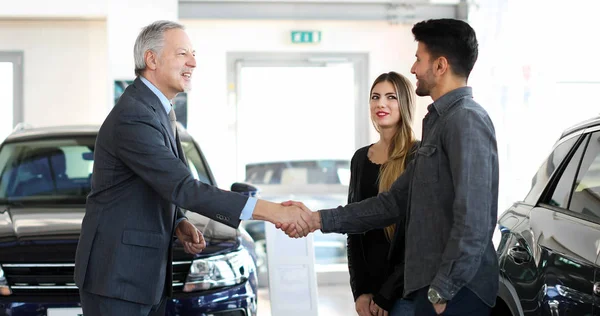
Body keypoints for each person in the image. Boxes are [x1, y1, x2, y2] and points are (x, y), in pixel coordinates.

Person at [74, 20, 311, 316]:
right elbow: (184, 187)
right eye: (183, 53)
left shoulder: (157, 109)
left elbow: (154, 184)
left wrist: (178, 222)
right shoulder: (134, 116)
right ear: (152, 59)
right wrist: (274, 212)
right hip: (118, 277)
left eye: (194, 54)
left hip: (142, 277)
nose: (194, 62)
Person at [281, 18, 499, 316]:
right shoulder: (439, 124)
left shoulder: (466, 120)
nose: (413, 69)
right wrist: (317, 219)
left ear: (440, 66)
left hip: (454, 294)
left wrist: (443, 289)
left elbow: (475, 219)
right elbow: (393, 203)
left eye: (418, 59)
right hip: (430, 288)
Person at [347, 72, 419, 316]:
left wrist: (387, 295)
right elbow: (354, 229)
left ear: (405, 103)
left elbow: (417, 238)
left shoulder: (418, 155)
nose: (381, 103)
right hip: (370, 293)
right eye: (375, 97)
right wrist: (360, 291)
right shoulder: (360, 158)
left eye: (391, 97)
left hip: (404, 293)